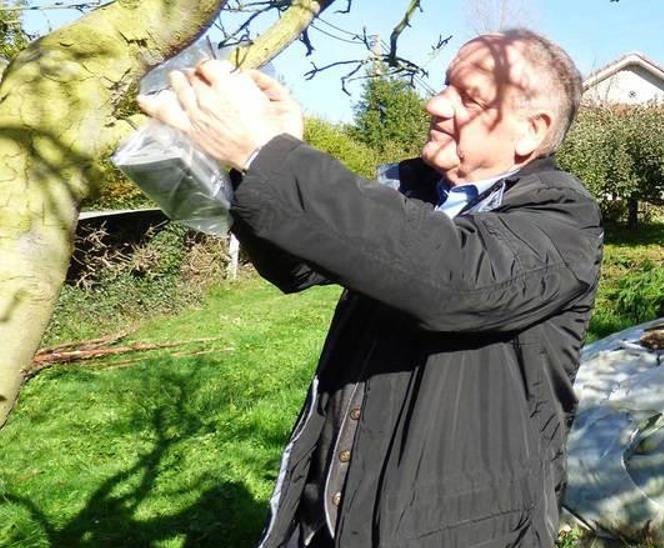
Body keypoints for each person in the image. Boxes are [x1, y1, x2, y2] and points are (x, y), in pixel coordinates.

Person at [138, 29, 602, 547]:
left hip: (460, 531)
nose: (434, 103)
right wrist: (272, 158)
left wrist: (268, 154)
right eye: (445, 85)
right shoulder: (417, 195)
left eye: (468, 97)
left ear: (529, 131)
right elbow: (297, 267)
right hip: (332, 512)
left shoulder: (563, 223)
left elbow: (451, 279)